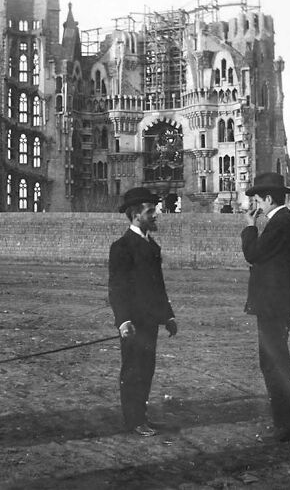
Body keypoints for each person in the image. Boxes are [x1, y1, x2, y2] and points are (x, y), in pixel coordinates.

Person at [108, 187, 178, 437]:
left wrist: (167, 315)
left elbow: (157, 287)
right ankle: (133, 421)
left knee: (146, 369)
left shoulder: (152, 246)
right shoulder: (122, 247)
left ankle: (141, 417)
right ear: (136, 215)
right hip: (133, 325)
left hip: (149, 323)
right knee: (133, 370)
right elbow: (117, 289)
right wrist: (123, 321)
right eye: (151, 211)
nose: (156, 215)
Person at [241, 172, 290, 442]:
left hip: (272, 307)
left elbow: (253, 254)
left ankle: (286, 425)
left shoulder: (280, 223)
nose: (257, 206)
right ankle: (283, 422)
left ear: (268, 198)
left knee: (274, 364)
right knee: (273, 362)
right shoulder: (283, 222)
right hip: (274, 305)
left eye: (258, 200)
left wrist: (249, 227)